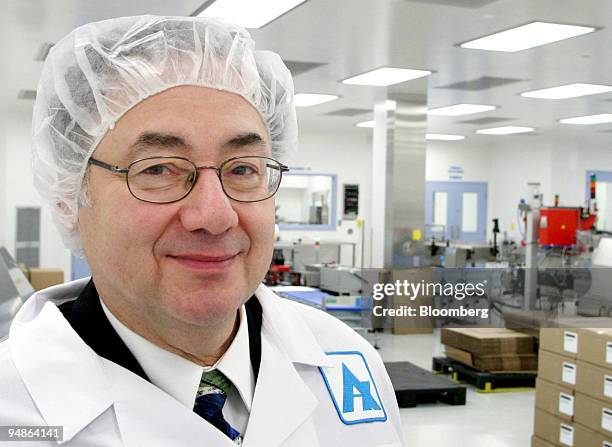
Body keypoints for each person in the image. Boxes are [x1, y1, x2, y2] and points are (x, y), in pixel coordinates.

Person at [0, 15, 404, 447]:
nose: (216, 216)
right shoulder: (14, 413)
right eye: (158, 169)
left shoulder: (352, 365)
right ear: (70, 198)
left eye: (243, 168)